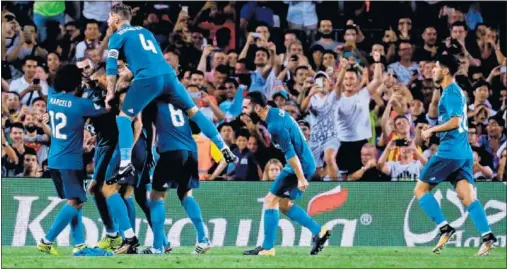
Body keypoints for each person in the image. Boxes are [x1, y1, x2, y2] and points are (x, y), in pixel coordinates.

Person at [104, 4, 235, 183]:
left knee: (123, 119)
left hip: (148, 78)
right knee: (194, 113)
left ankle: (125, 163)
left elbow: (111, 67)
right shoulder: (145, 32)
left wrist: (110, 93)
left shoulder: (117, 36)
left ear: (116, 18)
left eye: (109, 17)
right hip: (169, 77)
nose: (107, 21)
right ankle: (224, 148)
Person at [417, 54, 497, 256]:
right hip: (463, 153)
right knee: (467, 196)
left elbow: (455, 121)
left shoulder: (451, 93)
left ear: (445, 71)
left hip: (449, 152)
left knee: (421, 190)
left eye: (435, 67)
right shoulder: (454, 91)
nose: (432, 70)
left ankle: (445, 228)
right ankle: (488, 236)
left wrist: (430, 131)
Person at [242, 92, 330, 256]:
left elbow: (291, 154)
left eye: (245, 107)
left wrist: (301, 178)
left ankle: (268, 248)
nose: (243, 111)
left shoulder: (275, 126)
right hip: (301, 163)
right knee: (282, 204)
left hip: (299, 165)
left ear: (258, 107)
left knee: (270, 200)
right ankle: (319, 231)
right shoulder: (273, 113)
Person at [36, 64, 107, 255]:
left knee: (74, 200)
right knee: (76, 201)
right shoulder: (80, 104)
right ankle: (46, 240)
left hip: (54, 160)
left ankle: (79, 245)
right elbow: (106, 107)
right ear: (76, 83)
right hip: (71, 161)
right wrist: (94, 86)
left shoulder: (52, 100)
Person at [141, 98, 212, 255]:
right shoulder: (179, 100)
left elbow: (149, 128)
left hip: (171, 151)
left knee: (156, 196)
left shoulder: (152, 102)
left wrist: (149, 152)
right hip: (191, 151)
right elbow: (194, 125)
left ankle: (158, 246)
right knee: (185, 193)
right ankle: (203, 238)